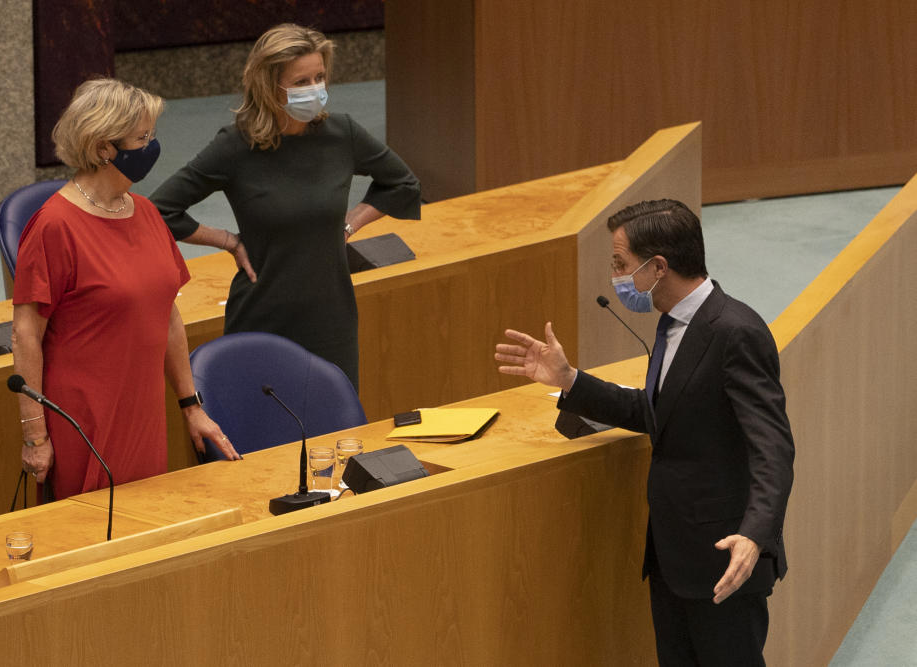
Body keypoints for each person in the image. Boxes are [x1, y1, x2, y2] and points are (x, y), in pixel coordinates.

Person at [495, 199, 794, 665]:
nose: (615, 276)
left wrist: (755, 535)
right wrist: (570, 380)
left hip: (726, 558)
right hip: (673, 555)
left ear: (658, 266)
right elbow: (659, 412)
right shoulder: (671, 323)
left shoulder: (735, 331)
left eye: (620, 264)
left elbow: (773, 447)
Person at [151, 23, 421, 392]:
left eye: (320, 77)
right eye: (301, 82)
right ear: (268, 86)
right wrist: (228, 240)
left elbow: (403, 183)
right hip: (263, 316)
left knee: (333, 432)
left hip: (331, 319)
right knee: (261, 436)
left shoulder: (343, 134)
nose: (315, 90)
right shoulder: (236, 146)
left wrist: (348, 225)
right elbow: (159, 210)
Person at [13, 78, 240, 502]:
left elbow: (167, 314)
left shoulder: (148, 213)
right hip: (84, 416)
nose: (152, 147)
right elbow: (26, 334)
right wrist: (35, 434)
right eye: (142, 138)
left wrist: (191, 406)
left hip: (143, 410)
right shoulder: (54, 226)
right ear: (103, 147)